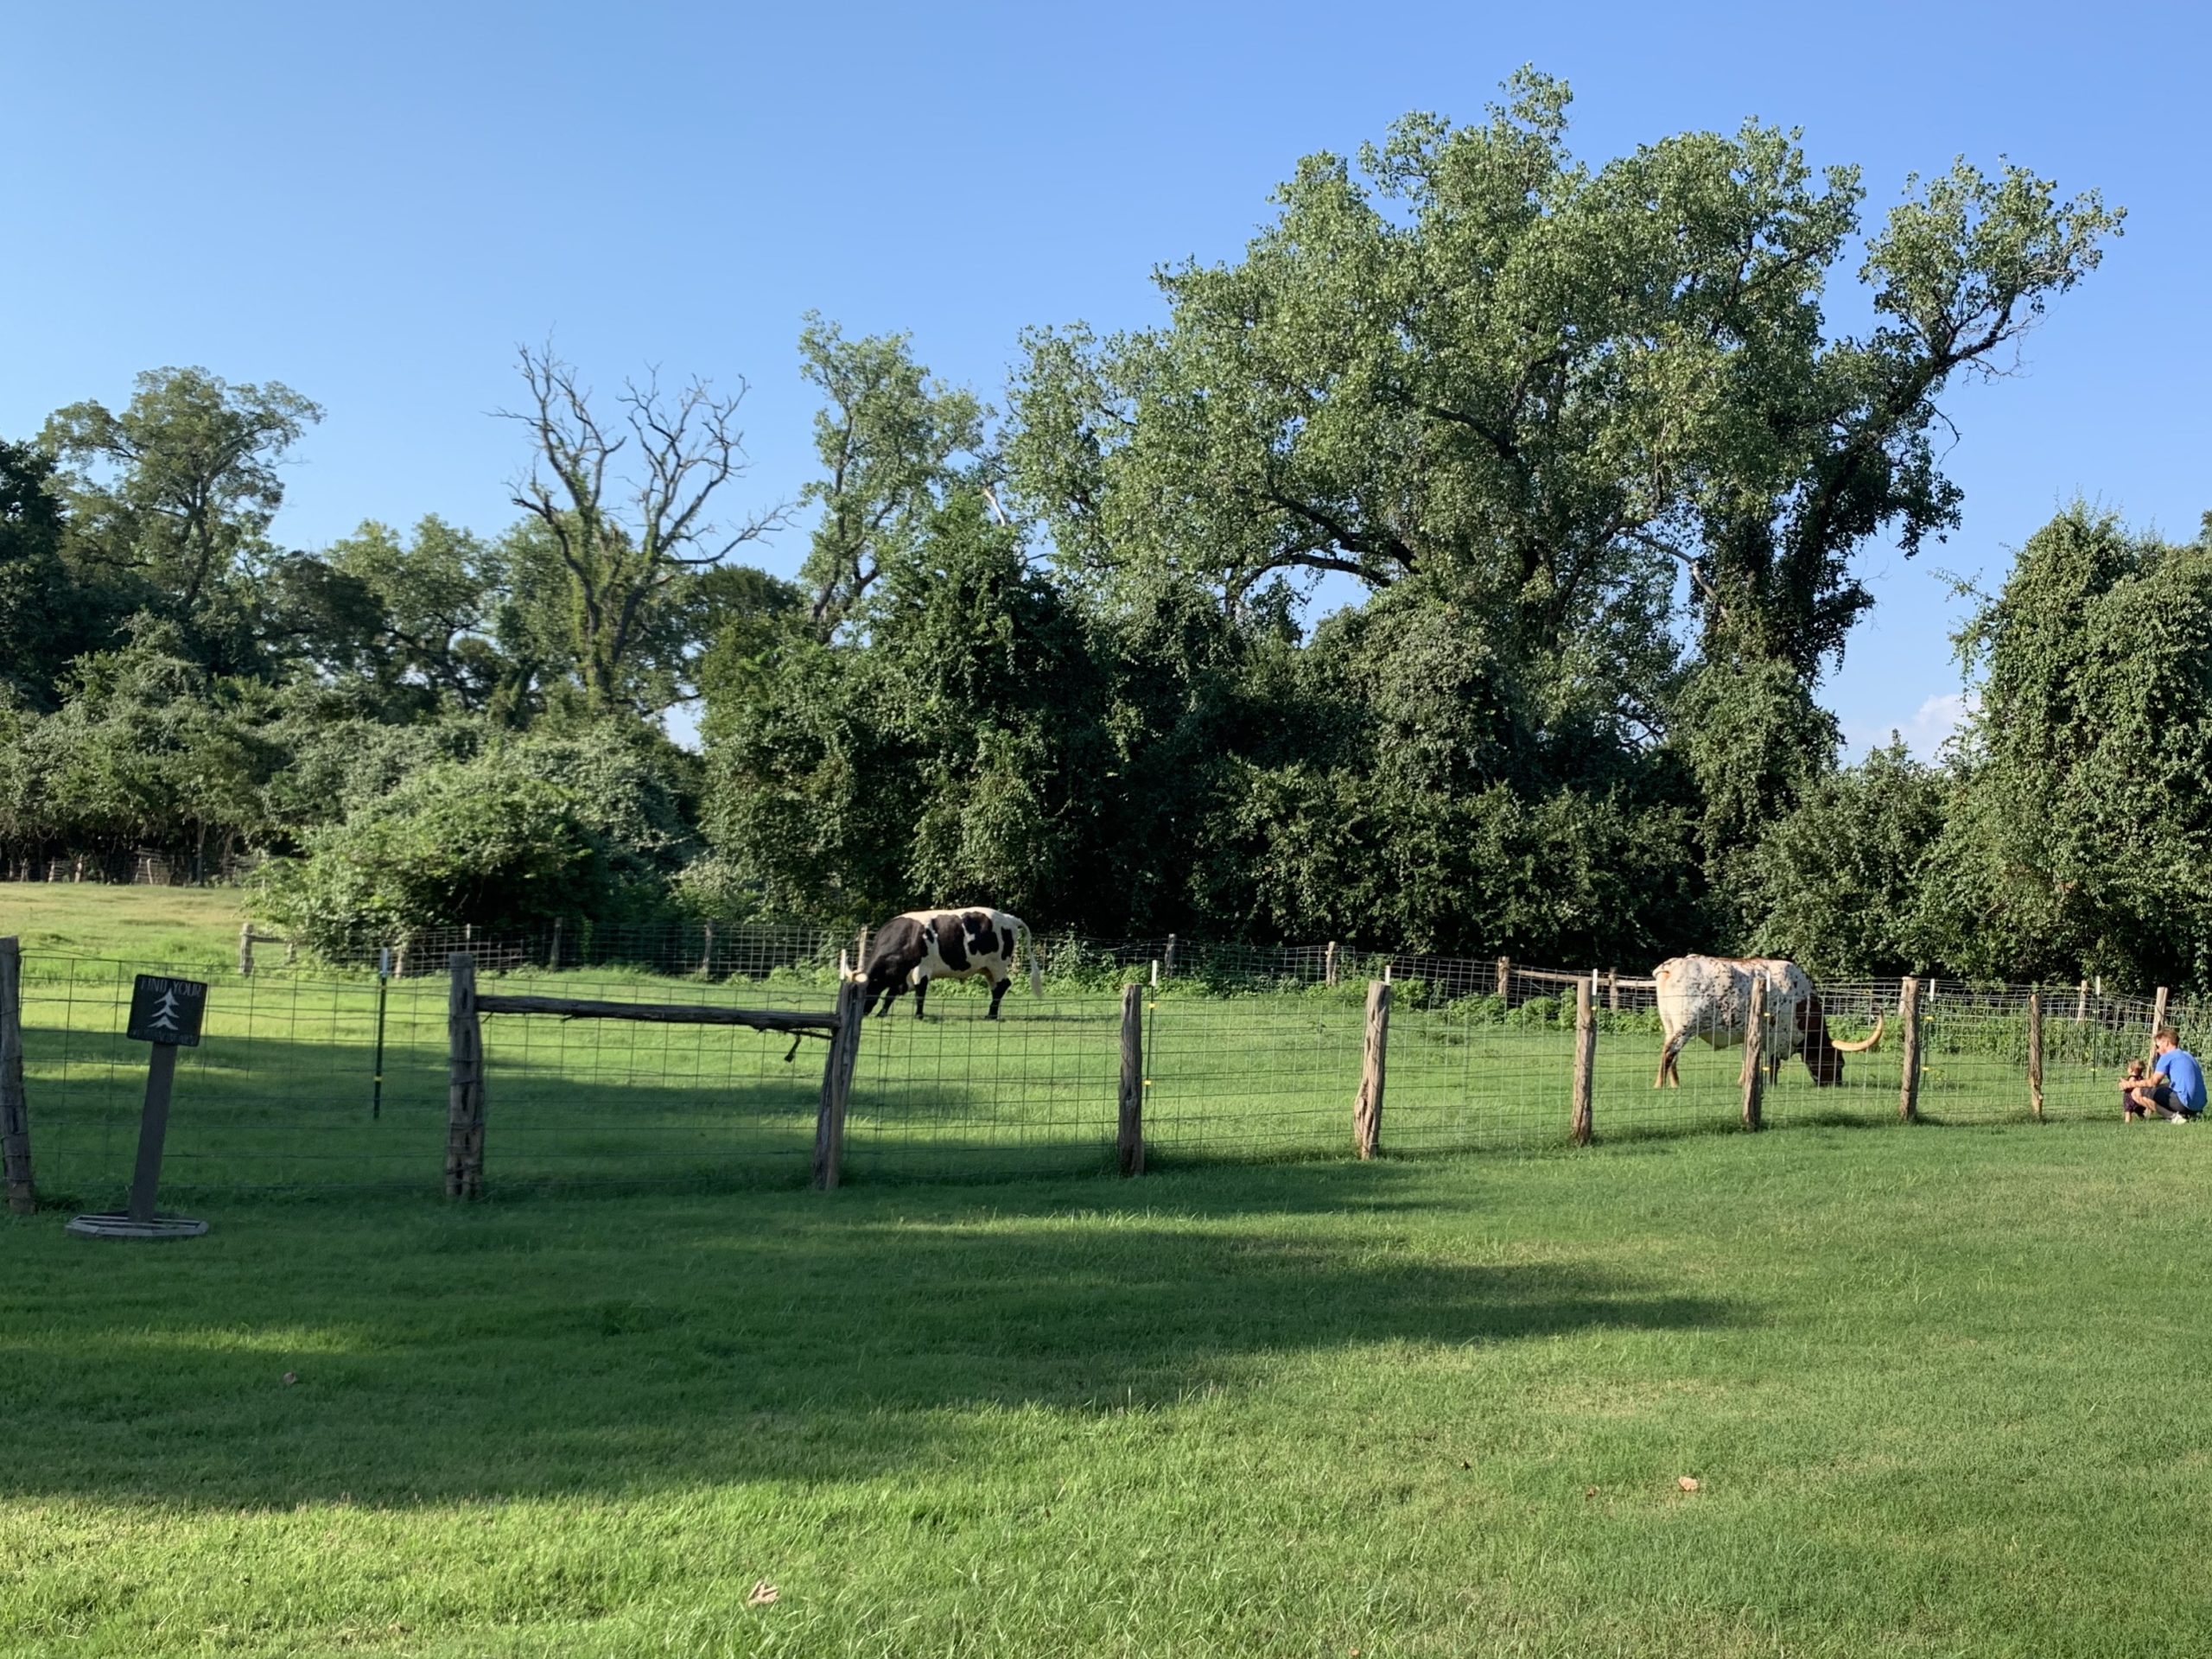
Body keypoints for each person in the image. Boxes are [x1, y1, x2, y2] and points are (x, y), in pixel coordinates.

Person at [2139, 1028, 2205, 1123]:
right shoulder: (2188, 1055)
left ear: (2166, 1043)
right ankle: (2191, 1114)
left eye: (2158, 1046)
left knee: (2142, 1092)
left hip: (2183, 1103)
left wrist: (2131, 1084)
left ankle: (2173, 1117)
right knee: (2167, 1086)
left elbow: (2153, 1082)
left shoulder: (2167, 1056)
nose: (2157, 1050)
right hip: (2199, 1105)